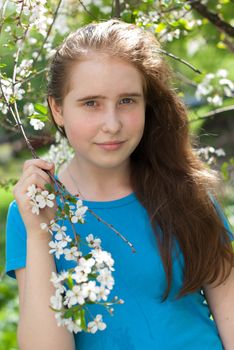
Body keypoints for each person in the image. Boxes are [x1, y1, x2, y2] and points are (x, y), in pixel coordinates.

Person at [5, 19, 234, 350]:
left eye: (127, 101)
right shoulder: (33, 212)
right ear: (57, 109)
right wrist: (40, 234)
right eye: (91, 103)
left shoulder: (187, 191)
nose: (111, 124)